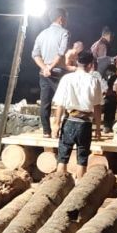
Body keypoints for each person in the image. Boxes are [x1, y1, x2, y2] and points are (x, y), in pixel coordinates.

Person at [52, 52, 104, 178]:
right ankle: (79, 188)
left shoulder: (67, 78)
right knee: (82, 158)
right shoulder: (94, 81)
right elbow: (97, 107)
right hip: (85, 124)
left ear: (77, 62)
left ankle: (57, 184)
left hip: (69, 120)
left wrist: (56, 124)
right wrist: (98, 128)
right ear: (91, 65)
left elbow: (60, 104)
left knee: (62, 157)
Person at [32, 8, 70, 137]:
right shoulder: (64, 33)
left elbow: (35, 54)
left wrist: (44, 68)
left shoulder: (42, 34)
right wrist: (50, 67)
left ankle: (46, 132)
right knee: (63, 101)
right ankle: (59, 129)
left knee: (45, 103)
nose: (66, 21)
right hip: (57, 73)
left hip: (44, 73)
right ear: (60, 18)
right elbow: (61, 53)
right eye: (65, 18)